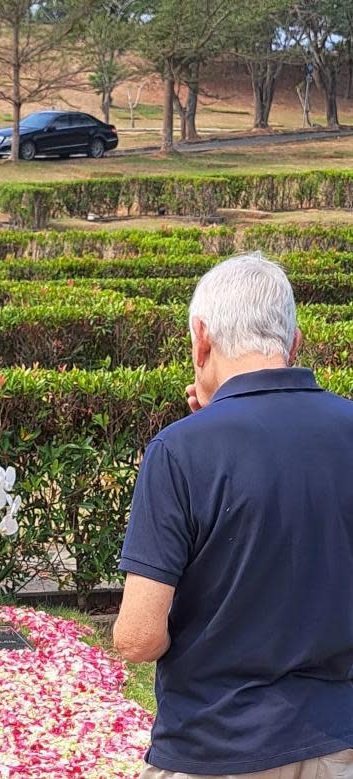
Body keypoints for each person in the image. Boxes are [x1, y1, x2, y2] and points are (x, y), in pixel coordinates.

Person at [113, 254, 353, 778]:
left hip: (218, 744)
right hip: (341, 739)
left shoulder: (180, 451)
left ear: (201, 339)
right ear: (294, 344)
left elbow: (137, 637)